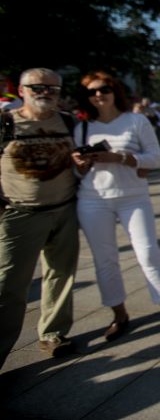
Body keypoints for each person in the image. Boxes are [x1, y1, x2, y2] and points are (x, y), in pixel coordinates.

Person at [71, 71, 160, 340]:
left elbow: (155, 158)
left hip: (133, 197)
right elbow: (78, 174)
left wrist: (121, 157)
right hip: (93, 198)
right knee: (104, 260)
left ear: (115, 91)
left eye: (104, 89)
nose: (99, 95)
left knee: (148, 253)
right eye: (92, 92)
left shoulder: (135, 121)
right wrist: (81, 165)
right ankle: (119, 315)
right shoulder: (83, 128)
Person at [0, 69, 80, 365]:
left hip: (64, 209)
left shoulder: (69, 122)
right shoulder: (6, 122)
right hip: (19, 214)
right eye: (37, 87)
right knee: (9, 286)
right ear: (21, 90)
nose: (45, 92)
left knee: (60, 275)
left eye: (53, 88)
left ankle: (53, 333)